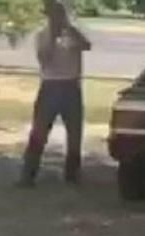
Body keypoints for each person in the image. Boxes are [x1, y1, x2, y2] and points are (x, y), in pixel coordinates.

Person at [17, 0, 92, 187]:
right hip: (50, 86)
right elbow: (44, 59)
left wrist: (71, 30)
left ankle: (72, 175)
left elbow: (87, 45)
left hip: (71, 86)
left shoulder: (73, 34)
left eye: (61, 15)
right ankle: (29, 174)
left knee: (74, 134)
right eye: (54, 16)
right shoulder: (42, 35)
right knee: (39, 132)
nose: (58, 19)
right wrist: (53, 36)